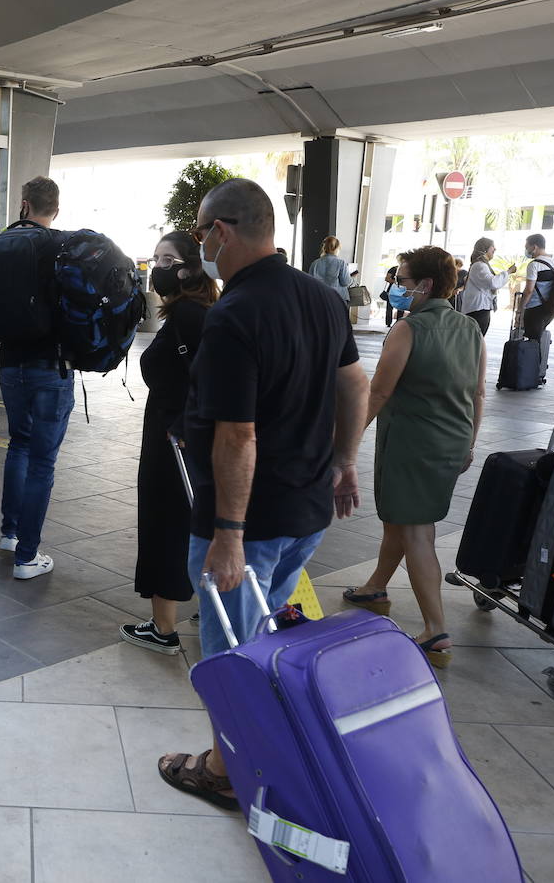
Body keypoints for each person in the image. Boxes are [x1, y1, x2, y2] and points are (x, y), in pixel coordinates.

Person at [156, 178, 368, 810]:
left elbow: (238, 435)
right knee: (267, 640)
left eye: (200, 234)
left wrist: (228, 533)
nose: (201, 248)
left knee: (231, 656)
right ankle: (260, 746)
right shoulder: (322, 298)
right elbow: (355, 385)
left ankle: (224, 770)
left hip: (251, 524)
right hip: (305, 509)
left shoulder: (235, 315)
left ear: (222, 231)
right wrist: (346, 460)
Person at [343, 246, 485, 669]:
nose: (396, 287)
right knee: (401, 520)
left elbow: (379, 392)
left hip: (413, 444)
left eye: (402, 281)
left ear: (424, 285)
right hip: (452, 441)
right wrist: (470, 443)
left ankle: (435, 630)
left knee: (417, 532)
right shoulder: (470, 329)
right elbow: (478, 393)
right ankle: (375, 587)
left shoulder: (408, 330)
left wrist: (346, 447)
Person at [0, 176, 73, 581]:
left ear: (24, 205)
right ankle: (28, 557)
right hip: (52, 366)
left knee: (19, 445)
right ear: (55, 210)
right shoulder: (63, 246)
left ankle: (10, 533)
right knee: (43, 461)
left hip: (10, 366)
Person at [119, 231, 217, 654]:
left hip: (174, 441)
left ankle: (163, 628)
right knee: (190, 522)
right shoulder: (192, 312)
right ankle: (203, 605)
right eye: (156, 258)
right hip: (179, 434)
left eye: (167, 259)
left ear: (190, 267)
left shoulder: (190, 317)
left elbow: (211, 379)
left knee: (166, 524)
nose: (157, 267)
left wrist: (182, 422)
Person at [461, 238, 513, 337]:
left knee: (476, 341)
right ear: (485, 249)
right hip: (478, 311)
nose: (495, 249)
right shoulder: (479, 265)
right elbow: (493, 282)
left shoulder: (479, 265)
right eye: (492, 246)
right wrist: (508, 272)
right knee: (476, 341)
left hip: (479, 309)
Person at [521, 233, 554, 341]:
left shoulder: (534, 265)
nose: (526, 250)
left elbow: (529, 290)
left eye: (527, 247)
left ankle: (533, 358)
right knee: (539, 339)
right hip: (552, 307)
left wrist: (521, 308)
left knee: (532, 342)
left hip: (535, 308)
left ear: (534, 247)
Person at [308, 235, 349, 301]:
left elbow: (310, 283)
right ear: (337, 248)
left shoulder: (314, 263)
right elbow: (345, 282)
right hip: (337, 299)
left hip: (319, 298)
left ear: (324, 248)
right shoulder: (341, 263)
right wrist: (352, 279)